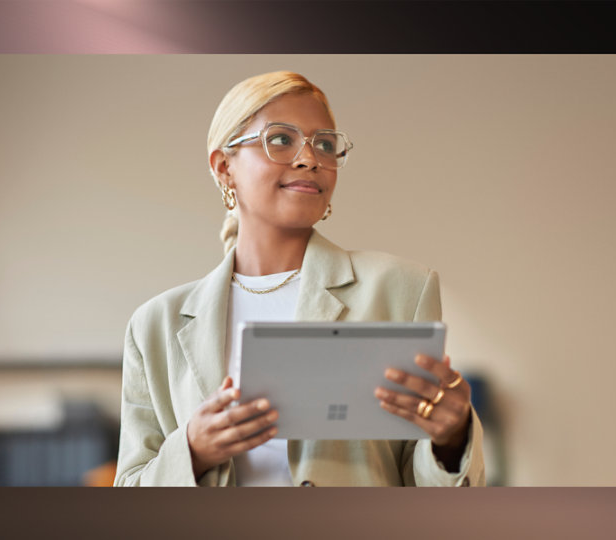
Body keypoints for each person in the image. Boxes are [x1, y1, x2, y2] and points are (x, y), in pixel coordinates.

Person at [113, 71, 485, 486]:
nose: (310, 158)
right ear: (224, 168)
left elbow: (422, 484)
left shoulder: (401, 288)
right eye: (281, 139)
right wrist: (193, 451)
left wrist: (452, 439)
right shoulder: (155, 325)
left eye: (325, 144)